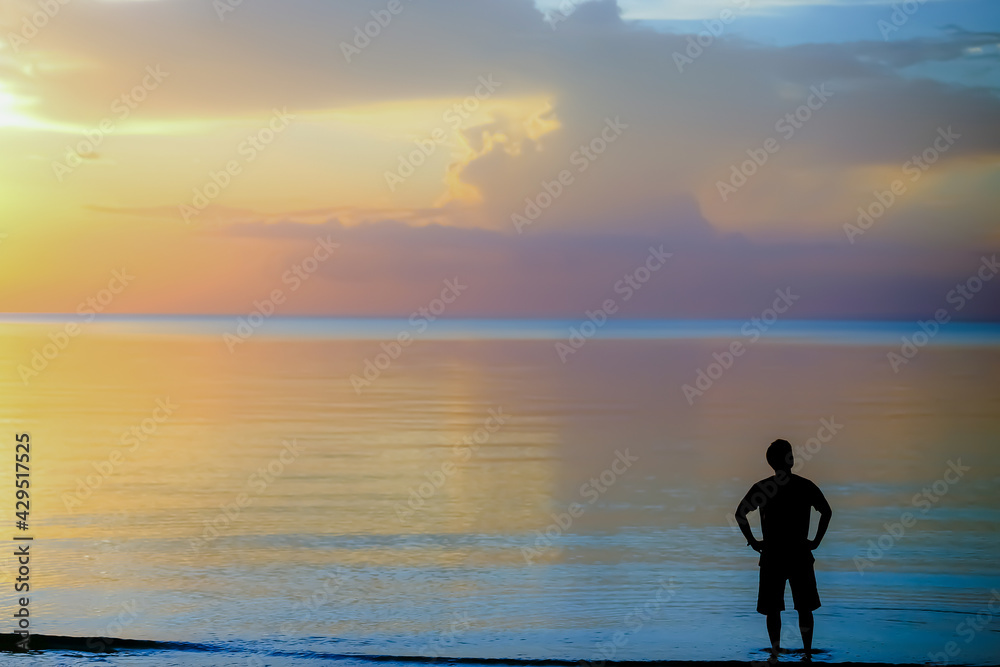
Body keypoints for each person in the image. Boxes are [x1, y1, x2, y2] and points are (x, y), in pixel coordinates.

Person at [734, 439, 832, 662]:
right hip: (798, 553)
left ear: (771, 462)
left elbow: (740, 513)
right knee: (803, 608)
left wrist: (754, 541)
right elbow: (826, 511)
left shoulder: (762, 488)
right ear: (791, 459)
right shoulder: (805, 486)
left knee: (773, 609)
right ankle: (806, 655)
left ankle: (776, 654)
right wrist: (815, 541)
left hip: (773, 555)